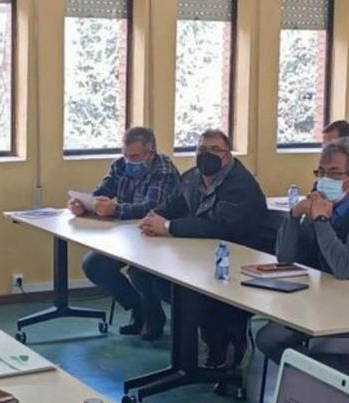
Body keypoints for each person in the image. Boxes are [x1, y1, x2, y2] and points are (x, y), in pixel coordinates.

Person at [131, 129, 269, 364]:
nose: (208, 155)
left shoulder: (241, 185)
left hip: (236, 264)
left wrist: (169, 226)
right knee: (143, 272)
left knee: (188, 290)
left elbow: (218, 227)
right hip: (199, 257)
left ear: (227, 155)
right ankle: (196, 342)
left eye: (216, 150)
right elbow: (173, 205)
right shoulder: (191, 178)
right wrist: (153, 218)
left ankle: (223, 341)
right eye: (202, 149)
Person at [256, 138, 349, 356]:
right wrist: (294, 216)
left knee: (319, 354)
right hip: (329, 300)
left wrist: (322, 222)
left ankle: (311, 385)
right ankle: (299, 386)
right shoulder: (322, 202)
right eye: (320, 172)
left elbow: (344, 267)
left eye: (334, 173)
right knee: (268, 338)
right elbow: (286, 258)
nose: (324, 180)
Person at [69, 127, 180, 336]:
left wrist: (115, 209)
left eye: (135, 156)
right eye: (126, 155)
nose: (129, 161)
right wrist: (84, 204)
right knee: (94, 265)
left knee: (139, 271)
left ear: (150, 153)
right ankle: (139, 309)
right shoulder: (120, 165)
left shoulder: (163, 170)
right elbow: (100, 194)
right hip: (128, 235)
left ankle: (153, 318)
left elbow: (152, 207)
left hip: (160, 236)